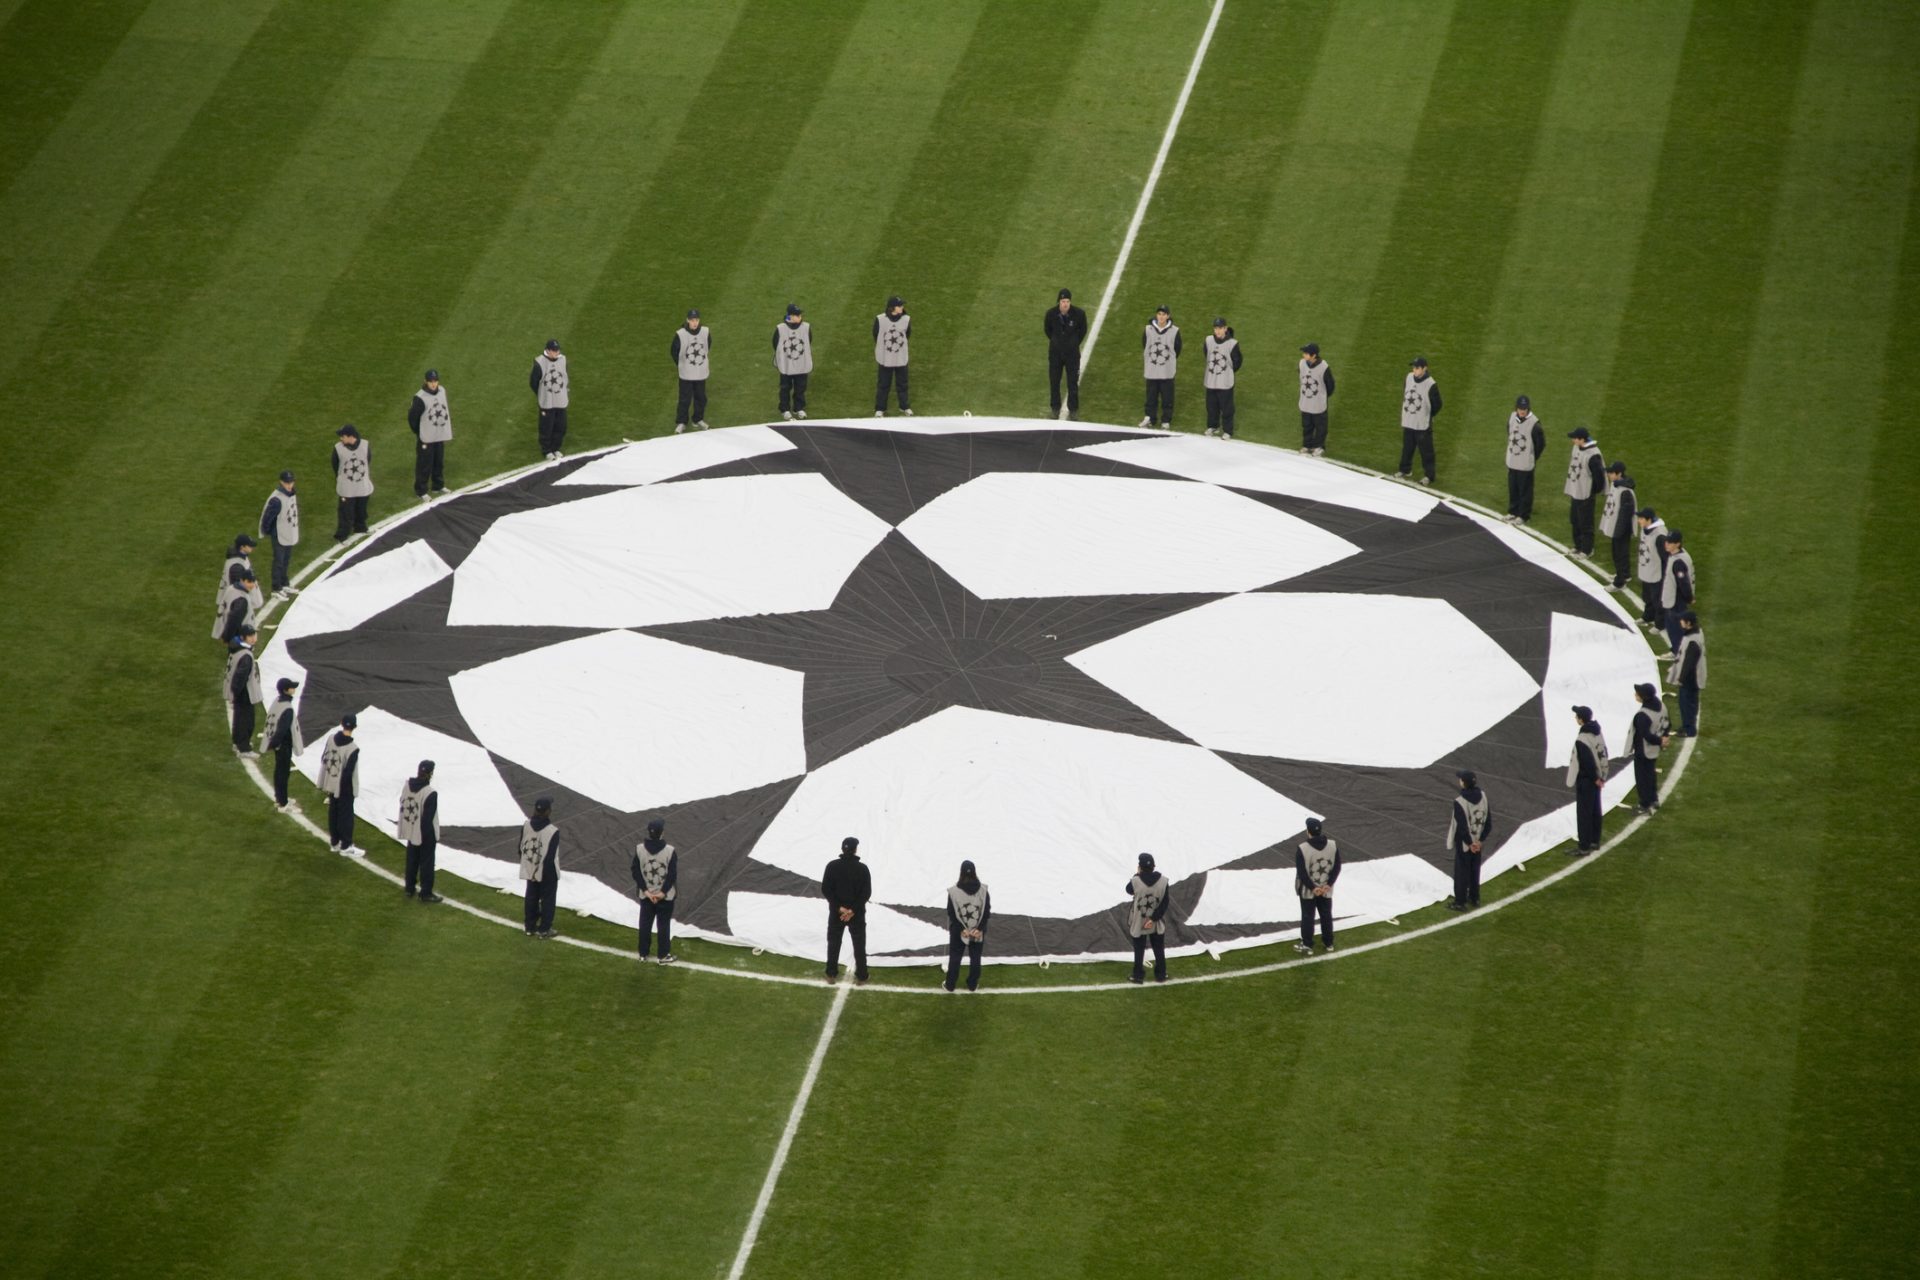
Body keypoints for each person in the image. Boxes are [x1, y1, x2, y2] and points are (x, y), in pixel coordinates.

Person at [821, 836, 871, 983]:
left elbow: (826, 889)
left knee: (834, 942)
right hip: (857, 914)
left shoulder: (832, 866)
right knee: (859, 945)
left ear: (842, 849)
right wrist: (852, 910)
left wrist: (839, 908)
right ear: (855, 850)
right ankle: (862, 975)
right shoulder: (862, 869)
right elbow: (866, 893)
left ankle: (831, 973)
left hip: (837, 914)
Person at [631, 817, 678, 963]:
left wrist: (646, 891)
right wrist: (662, 893)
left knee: (645, 924)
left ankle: (643, 953)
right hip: (665, 897)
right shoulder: (670, 851)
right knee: (663, 925)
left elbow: (635, 871)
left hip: (646, 896)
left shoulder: (639, 849)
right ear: (662, 833)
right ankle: (663, 955)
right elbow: (671, 875)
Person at [1445, 769, 1492, 909]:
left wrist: (1470, 843)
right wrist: (1479, 841)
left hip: (1465, 843)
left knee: (1461, 872)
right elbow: (1488, 822)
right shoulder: (1483, 796)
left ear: (1463, 783)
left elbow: (1462, 827)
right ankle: (1474, 897)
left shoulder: (1459, 801)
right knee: (1475, 869)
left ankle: (1460, 902)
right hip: (1478, 841)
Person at [396, 760, 442, 903]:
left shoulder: (407, 785)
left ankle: (409, 888)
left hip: (411, 828)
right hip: (425, 833)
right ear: (430, 773)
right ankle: (425, 892)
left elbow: (402, 803)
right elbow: (428, 818)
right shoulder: (430, 793)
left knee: (412, 859)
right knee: (427, 863)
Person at [942, 860, 990, 992]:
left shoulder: (953, 892)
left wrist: (962, 929)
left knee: (955, 957)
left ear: (961, 872)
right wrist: (978, 929)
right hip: (977, 932)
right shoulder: (984, 890)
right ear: (975, 872)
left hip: (959, 932)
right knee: (975, 958)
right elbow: (986, 912)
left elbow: (951, 913)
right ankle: (972, 985)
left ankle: (950, 985)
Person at [1293, 818, 1340, 953]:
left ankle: (1307, 944)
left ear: (1308, 831)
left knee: (1308, 916)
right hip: (1326, 889)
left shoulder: (1303, 848)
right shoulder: (1333, 845)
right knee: (1326, 915)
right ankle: (1329, 943)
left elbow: (1302, 872)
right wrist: (1328, 885)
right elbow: (1337, 867)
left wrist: (1313, 888)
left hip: (1308, 891)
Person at [1566, 705, 1607, 854]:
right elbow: (1603, 753)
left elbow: (1587, 762)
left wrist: (1595, 778)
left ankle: (1584, 846)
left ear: (1581, 720)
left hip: (1587, 780)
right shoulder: (1597, 732)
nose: (1575, 718)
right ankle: (1594, 841)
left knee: (1584, 813)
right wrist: (1601, 777)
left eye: (1577, 716)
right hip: (1598, 778)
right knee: (1596, 810)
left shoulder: (1582, 739)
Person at [320, 712, 361, 854]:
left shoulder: (331, 739)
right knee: (346, 815)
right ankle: (346, 845)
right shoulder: (353, 748)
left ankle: (335, 842)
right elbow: (348, 772)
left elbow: (324, 758)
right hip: (345, 788)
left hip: (331, 783)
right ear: (355, 727)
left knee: (333, 812)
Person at [519, 796, 561, 937]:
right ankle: (544, 929)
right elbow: (550, 856)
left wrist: (531, 866)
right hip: (547, 872)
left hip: (530, 867)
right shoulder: (552, 831)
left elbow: (521, 848)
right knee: (548, 899)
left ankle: (529, 927)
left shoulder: (526, 825)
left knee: (531, 897)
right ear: (548, 811)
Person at [407, 368, 452, 499]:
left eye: (435, 381)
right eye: (431, 381)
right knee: (424, 464)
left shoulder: (442, 391)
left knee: (438, 461)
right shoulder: (420, 398)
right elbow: (412, 418)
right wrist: (419, 432)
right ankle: (421, 491)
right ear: (425, 381)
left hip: (439, 435)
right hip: (426, 437)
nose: (433, 384)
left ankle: (438, 485)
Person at [1397, 356, 1441, 485]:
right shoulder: (1409, 377)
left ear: (1424, 368)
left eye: (1417, 368)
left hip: (1422, 425)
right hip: (1409, 421)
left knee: (1426, 452)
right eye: (1414, 367)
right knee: (1407, 448)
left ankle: (1429, 476)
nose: (1414, 370)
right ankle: (1405, 470)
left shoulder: (1431, 384)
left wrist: (1428, 415)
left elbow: (1438, 404)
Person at [1126, 853, 1171, 983]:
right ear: (1154, 866)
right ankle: (1161, 975)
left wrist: (1137, 875)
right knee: (1158, 948)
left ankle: (1138, 975)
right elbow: (1165, 903)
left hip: (1139, 921)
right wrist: (1153, 919)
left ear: (1139, 867)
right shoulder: (1163, 881)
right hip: (1156, 922)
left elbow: (1128, 890)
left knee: (1139, 950)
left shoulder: (1135, 881)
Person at [1044, 288, 1087, 420]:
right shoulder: (1051, 314)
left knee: (1072, 382)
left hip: (1072, 355)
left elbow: (1083, 331)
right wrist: (1058, 342)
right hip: (1055, 354)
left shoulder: (1079, 314)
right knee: (1054, 381)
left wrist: (1073, 343)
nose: (1065, 304)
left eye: (1067, 301)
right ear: (1059, 302)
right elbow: (1047, 330)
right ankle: (1055, 409)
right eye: (1063, 301)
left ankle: (1073, 410)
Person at [1563, 427, 1605, 558]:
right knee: (1575, 519)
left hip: (1585, 493)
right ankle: (1578, 546)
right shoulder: (1577, 448)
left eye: (1575, 438)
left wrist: (1592, 491)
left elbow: (1599, 477)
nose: (1573, 441)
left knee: (1586, 523)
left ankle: (1587, 549)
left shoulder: (1593, 455)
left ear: (1582, 439)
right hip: (1576, 491)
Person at [262, 677, 302, 810]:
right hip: (283, 744)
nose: (294, 689)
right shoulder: (287, 709)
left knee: (280, 771)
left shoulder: (277, 701)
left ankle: (280, 797)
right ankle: (283, 803)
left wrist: (272, 744)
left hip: (278, 744)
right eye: (291, 687)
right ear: (286, 690)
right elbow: (282, 730)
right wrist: (275, 744)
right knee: (283, 772)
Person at [1629, 683, 1668, 815]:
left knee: (1642, 778)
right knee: (1651, 774)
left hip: (1643, 750)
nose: (1635, 695)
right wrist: (1664, 738)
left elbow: (1646, 735)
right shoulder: (1661, 706)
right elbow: (1667, 724)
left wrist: (1660, 740)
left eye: (1638, 693)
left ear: (1644, 697)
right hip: (1654, 750)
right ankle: (1654, 799)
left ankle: (1644, 804)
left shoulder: (1643, 715)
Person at [1504, 395, 1545, 523]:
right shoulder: (1512, 418)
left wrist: (1531, 457)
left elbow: (1541, 444)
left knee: (1525, 491)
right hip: (1512, 462)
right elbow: (1509, 433)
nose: (1522, 411)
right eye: (1520, 408)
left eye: (1525, 408)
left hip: (1525, 465)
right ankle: (1513, 511)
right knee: (1513, 488)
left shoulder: (1534, 424)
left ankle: (1523, 515)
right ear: (1516, 408)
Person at [259, 472, 300, 598]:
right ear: (281, 482)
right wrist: (267, 531)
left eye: (291, 482)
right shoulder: (277, 499)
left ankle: (284, 583)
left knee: (285, 560)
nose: (289, 485)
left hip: (288, 532)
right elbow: (268, 517)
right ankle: (276, 588)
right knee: (279, 561)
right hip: (279, 534)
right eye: (287, 482)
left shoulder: (292, 493)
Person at [1139, 305, 1181, 429]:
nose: (1161, 317)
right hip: (1152, 371)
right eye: (1159, 314)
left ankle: (1165, 421)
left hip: (1167, 372)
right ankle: (1149, 418)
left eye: (1164, 314)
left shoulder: (1175, 331)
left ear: (1168, 316)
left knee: (1167, 397)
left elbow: (1177, 349)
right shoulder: (1148, 329)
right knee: (1151, 396)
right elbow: (1145, 345)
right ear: (1156, 315)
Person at [331, 423, 373, 543]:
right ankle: (342, 535)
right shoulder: (338, 448)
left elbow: (367, 461)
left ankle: (360, 528)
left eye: (343, 436)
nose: (341, 439)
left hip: (362, 486)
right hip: (346, 487)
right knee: (345, 513)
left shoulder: (365, 445)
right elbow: (335, 465)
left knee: (361, 509)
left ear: (351, 436)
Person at [671, 309, 711, 433]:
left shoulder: (705, 332)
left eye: (697, 320)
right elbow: (674, 351)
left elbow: (707, 346)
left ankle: (698, 419)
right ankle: (682, 422)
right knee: (684, 399)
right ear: (688, 320)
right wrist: (682, 365)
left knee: (701, 397)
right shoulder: (680, 334)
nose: (695, 323)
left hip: (700, 373)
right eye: (692, 320)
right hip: (686, 374)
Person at [1202, 317, 1242, 439]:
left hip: (1225, 382)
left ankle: (1227, 430)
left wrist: (1227, 372)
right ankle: (1213, 426)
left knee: (1227, 408)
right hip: (1211, 380)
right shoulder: (1208, 340)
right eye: (1216, 328)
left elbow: (1237, 361)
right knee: (1211, 406)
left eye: (1220, 328)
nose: (1218, 331)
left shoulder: (1233, 343)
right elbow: (1206, 355)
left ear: (1225, 328)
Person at [224, 626, 262, 756]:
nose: (254, 638)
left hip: (241, 691)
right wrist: (237, 693)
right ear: (243, 637)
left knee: (240, 718)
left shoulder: (237, 649)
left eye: (254, 635)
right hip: (245, 692)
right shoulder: (245, 655)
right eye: (250, 636)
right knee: (246, 720)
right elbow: (240, 677)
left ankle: (238, 742)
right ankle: (244, 748)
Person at [1669, 611, 1706, 738]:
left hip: (1690, 679)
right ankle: (1687, 726)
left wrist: (1681, 677)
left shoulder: (1692, 641)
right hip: (1692, 677)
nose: (1680, 622)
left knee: (1687, 704)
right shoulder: (1696, 632)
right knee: (1689, 703)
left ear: (1688, 623)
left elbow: (1689, 662)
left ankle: (1689, 730)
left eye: (1682, 620)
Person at [873, 295, 912, 417]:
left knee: (903, 384)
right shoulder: (880, 319)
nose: (902, 307)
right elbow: (875, 335)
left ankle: (904, 406)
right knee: (883, 384)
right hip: (885, 359)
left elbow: (907, 334)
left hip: (900, 358)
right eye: (899, 305)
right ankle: (880, 408)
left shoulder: (906, 319)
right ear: (892, 308)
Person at [1601, 462, 1638, 589]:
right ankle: (1625, 574)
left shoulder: (1625, 492)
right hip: (1619, 526)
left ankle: (1619, 582)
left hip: (1622, 527)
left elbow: (1625, 514)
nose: (1609, 474)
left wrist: (1618, 531)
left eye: (1611, 472)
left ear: (1619, 474)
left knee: (1619, 553)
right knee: (1621, 552)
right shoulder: (1616, 485)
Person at [773, 303, 812, 421]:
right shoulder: (780, 328)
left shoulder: (806, 327)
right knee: (785, 387)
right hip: (786, 365)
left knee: (800, 387)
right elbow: (775, 344)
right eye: (797, 315)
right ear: (790, 316)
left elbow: (808, 341)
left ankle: (798, 408)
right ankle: (785, 409)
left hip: (801, 364)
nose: (800, 316)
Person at [530, 340, 569, 460]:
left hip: (561, 401)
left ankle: (556, 448)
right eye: (554, 350)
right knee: (546, 427)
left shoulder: (563, 360)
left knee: (561, 426)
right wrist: (542, 394)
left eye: (557, 350)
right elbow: (533, 383)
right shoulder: (539, 363)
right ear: (547, 350)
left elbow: (564, 376)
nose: (556, 352)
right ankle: (547, 450)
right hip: (547, 403)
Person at [1660, 529, 1696, 653]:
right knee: (1674, 628)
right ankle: (1677, 650)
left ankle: (1679, 654)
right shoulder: (1678, 555)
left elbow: (1684, 583)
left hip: (1676, 601)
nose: (1666, 544)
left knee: (1675, 628)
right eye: (1666, 542)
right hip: (1675, 599)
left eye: (1670, 543)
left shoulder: (1678, 562)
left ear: (1677, 544)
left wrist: (1689, 597)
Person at [1636, 507, 1669, 632]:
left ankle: (1660, 624)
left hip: (1657, 571)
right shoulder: (1645, 529)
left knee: (1657, 599)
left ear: (1649, 520)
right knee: (1647, 596)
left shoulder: (1660, 535)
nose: (1639, 521)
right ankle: (1648, 616)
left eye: (1641, 518)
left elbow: (1665, 556)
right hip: (1647, 568)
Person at [1298, 342, 1333, 454]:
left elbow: (1330, 385)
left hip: (1318, 404)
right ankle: (1307, 445)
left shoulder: (1324, 367)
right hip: (1305, 403)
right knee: (1307, 426)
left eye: (1306, 353)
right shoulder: (1302, 363)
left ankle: (1319, 446)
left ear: (1314, 355)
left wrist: (1322, 396)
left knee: (1320, 427)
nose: (1304, 355)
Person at [218, 568, 262, 645]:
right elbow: (234, 620)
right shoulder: (242, 600)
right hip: (241, 636)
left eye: (253, 582)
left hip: (230, 629)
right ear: (242, 580)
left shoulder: (232, 588)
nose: (252, 585)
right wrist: (228, 637)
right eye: (249, 582)